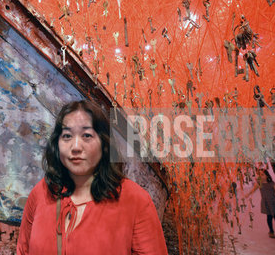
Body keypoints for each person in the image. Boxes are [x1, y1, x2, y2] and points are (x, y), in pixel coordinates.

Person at [17, 100, 168, 254]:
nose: (76, 147)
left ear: (104, 144)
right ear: (57, 144)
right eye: (67, 136)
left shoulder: (134, 199)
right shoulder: (41, 193)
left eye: (87, 136)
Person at [245, 168, 275, 240]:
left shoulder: (272, 183)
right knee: (269, 217)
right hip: (266, 202)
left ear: (267, 175)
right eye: (259, 175)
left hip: (274, 202)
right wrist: (247, 195)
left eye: (262, 175)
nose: (260, 176)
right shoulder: (259, 183)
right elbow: (253, 190)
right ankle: (271, 231)